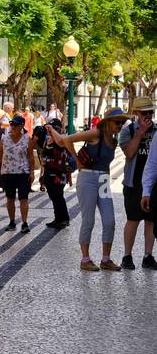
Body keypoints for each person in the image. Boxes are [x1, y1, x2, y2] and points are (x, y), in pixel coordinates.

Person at [50, 108, 127, 270]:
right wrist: (77, 160)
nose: (120, 125)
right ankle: (85, 259)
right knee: (88, 219)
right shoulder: (95, 134)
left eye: (122, 122)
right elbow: (68, 140)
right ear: (108, 122)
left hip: (104, 180)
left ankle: (106, 259)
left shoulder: (114, 141)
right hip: (88, 178)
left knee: (110, 220)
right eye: (117, 122)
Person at [117, 98, 156, 270]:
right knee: (133, 219)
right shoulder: (128, 131)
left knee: (151, 220)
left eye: (150, 112)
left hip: (153, 184)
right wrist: (140, 133)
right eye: (144, 113)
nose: (148, 116)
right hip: (134, 182)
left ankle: (148, 255)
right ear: (135, 113)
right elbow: (129, 153)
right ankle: (127, 255)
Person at [0, 114, 37, 233]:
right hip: (7, 172)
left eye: (16, 125)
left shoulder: (27, 138)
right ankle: (12, 222)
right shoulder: (4, 139)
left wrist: (32, 172)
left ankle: (24, 223)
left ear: (22, 126)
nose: (13, 127)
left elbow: (31, 156)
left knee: (23, 198)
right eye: (12, 124)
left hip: (23, 172)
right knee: (10, 198)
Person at [35, 119, 72, 231]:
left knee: (58, 196)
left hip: (58, 174)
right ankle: (58, 218)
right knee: (53, 197)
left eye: (53, 128)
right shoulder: (48, 140)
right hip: (48, 172)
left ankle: (64, 219)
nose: (50, 130)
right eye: (49, 128)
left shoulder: (62, 140)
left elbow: (61, 146)